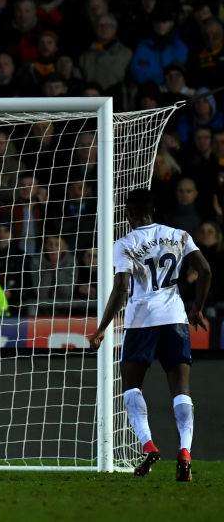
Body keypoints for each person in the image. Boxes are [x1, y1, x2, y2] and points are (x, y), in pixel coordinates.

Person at [89, 188, 211, 482]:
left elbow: (121, 290)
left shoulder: (126, 243)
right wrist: (196, 309)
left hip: (141, 323)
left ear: (130, 214)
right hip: (175, 320)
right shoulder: (180, 235)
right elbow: (205, 271)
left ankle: (149, 444)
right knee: (181, 390)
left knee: (132, 387)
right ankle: (184, 453)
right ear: (152, 211)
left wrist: (102, 328)